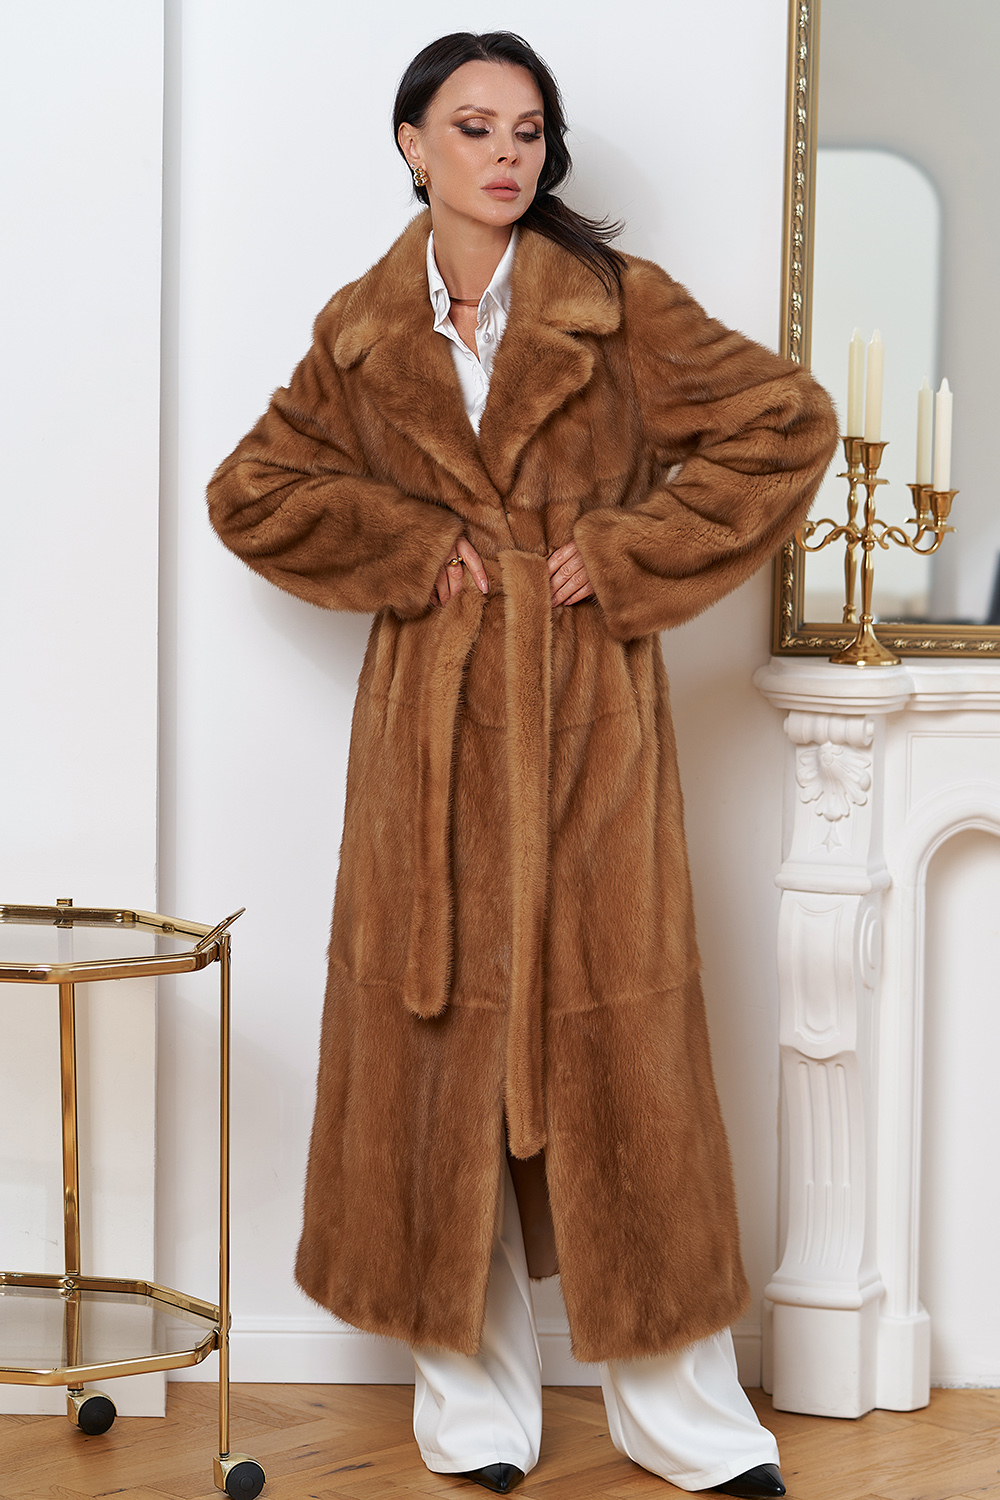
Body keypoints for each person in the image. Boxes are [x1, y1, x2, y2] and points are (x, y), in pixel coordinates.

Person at [208, 30, 837, 1498]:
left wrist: (623, 551)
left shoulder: (618, 308)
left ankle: (684, 1417)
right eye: (474, 126)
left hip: (589, 729)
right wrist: (412, 543)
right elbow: (253, 491)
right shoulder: (361, 332)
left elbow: (784, 423)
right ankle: (473, 1407)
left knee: (626, 1061)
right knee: (438, 1064)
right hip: (423, 746)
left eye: (528, 131)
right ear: (412, 144)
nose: (505, 154)